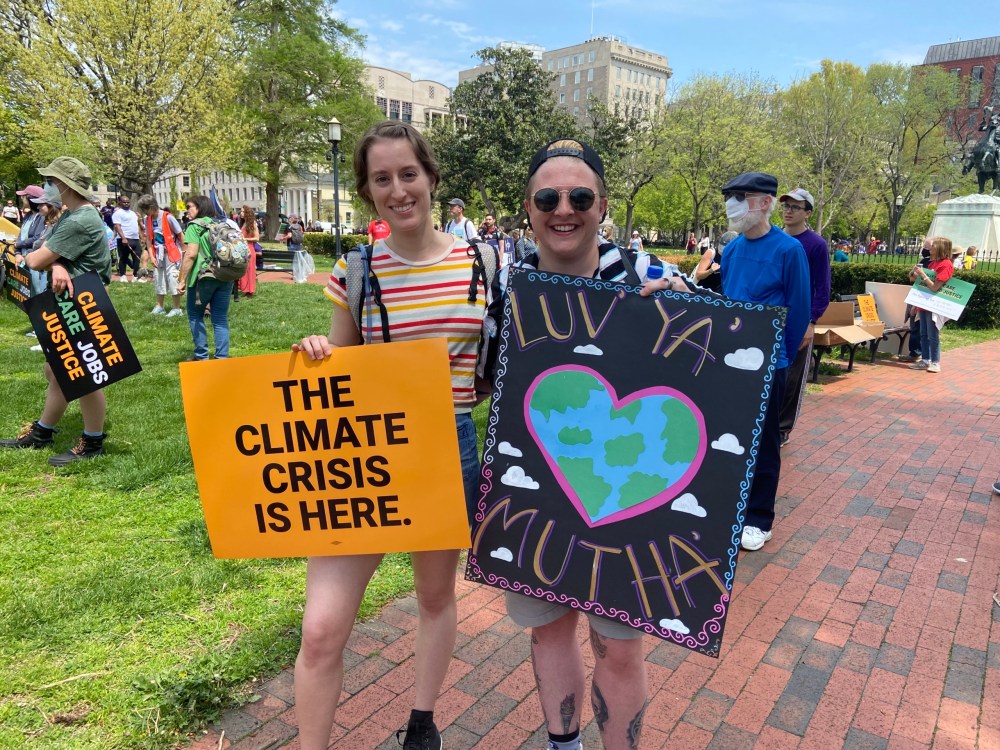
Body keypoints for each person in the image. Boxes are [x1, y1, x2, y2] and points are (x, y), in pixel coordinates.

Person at [291, 121, 490, 750]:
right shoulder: (357, 271)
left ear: (431, 177)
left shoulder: (482, 264)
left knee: (435, 595)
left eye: (409, 174)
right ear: (367, 191)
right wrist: (320, 352)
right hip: (367, 454)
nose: (399, 189)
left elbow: (507, 359)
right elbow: (342, 369)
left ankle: (422, 722)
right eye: (383, 179)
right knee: (321, 630)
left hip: (446, 449)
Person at [496, 138, 695, 750]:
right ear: (528, 208)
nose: (565, 208)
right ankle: (564, 745)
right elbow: (474, 376)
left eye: (580, 196)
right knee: (548, 632)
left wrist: (690, 319)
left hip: (626, 498)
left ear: (601, 204)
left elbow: (727, 370)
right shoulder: (507, 287)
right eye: (548, 196)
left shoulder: (650, 276)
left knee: (618, 647)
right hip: (539, 494)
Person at [0, 157, 112, 465]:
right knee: (57, 371)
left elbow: (35, 259)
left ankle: (92, 441)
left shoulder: (77, 220)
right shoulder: (73, 214)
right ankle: (43, 431)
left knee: (82, 375)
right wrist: (59, 263)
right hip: (68, 301)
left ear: (63, 185)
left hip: (81, 304)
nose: (47, 186)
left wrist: (51, 260)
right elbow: (51, 247)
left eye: (51, 181)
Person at [718, 171, 809, 551]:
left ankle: (759, 518)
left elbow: (799, 310)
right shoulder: (734, 249)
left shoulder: (789, 251)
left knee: (764, 440)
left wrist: (778, 357)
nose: (733, 204)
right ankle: (729, 509)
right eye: (730, 196)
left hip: (769, 363)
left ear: (765, 202)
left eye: (742, 196)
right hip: (731, 362)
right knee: (730, 437)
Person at [777, 188, 831, 448]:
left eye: (795, 207)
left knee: (792, 377)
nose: (788, 211)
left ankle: (782, 429)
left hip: (798, 321)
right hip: (772, 317)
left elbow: (822, 287)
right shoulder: (774, 238)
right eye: (786, 206)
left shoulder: (816, 245)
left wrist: (811, 322)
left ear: (807, 213)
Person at [178, 195, 232, 361]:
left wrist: (181, 280)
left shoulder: (194, 226)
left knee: (195, 315)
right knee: (220, 318)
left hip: (202, 278)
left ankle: (201, 355)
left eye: (189, 207)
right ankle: (222, 357)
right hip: (225, 275)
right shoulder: (221, 224)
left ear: (199, 208)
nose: (187, 211)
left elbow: (191, 254)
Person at [907, 236, 953, 374]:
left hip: (935, 305)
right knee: (923, 333)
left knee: (933, 334)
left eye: (933, 246)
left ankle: (935, 362)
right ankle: (925, 359)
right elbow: (922, 286)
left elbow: (935, 288)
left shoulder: (946, 264)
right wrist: (916, 304)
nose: (929, 249)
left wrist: (923, 275)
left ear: (940, 248)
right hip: (924, 303)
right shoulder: (933, 264)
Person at [136, 194, 185, 317]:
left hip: (172, 254)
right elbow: (149, 241)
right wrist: (152, 257)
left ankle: (176, 308)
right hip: (158, 254)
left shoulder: (168, 217)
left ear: (152, 207)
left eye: (145, 210)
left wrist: (184, 252)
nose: (145, 213)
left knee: (173, 278)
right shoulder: (147, 219)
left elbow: (180, 235)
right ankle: (159, 306)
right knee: (159, 279)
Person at [12, 186, 47, 295]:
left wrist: (18, 244)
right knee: (28, 294)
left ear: (31, 199)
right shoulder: (27, 216)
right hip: (23, 259)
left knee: (39, 293)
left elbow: (37, 238)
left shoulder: (42, 217)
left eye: (23, 196)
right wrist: (17, 253)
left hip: (35, 259)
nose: (21, 199)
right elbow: (20, 234)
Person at [112, 195, 142, 282]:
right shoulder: (117, 213)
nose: (126, 204)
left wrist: (140, 236)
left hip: (135, 238)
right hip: (124, 238)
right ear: (119, 203)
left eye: (128, 202)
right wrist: (123, 238)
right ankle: (123, 276)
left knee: (137, 257)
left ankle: (135, 276)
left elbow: (136, 226)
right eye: (124, 202)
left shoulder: (133, 213)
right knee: (123, 258)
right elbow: (117, 226)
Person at [237, 204, 259, 297]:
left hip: (249, 248)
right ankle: (245, 289)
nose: (241, 213)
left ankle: (250, 291)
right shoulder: (243, 223)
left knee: (250, 270)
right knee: (244, 270)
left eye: (243, 211)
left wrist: (244, 239)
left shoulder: (252, 223)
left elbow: (256, 238)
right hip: (242, 249)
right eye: (240, 211)